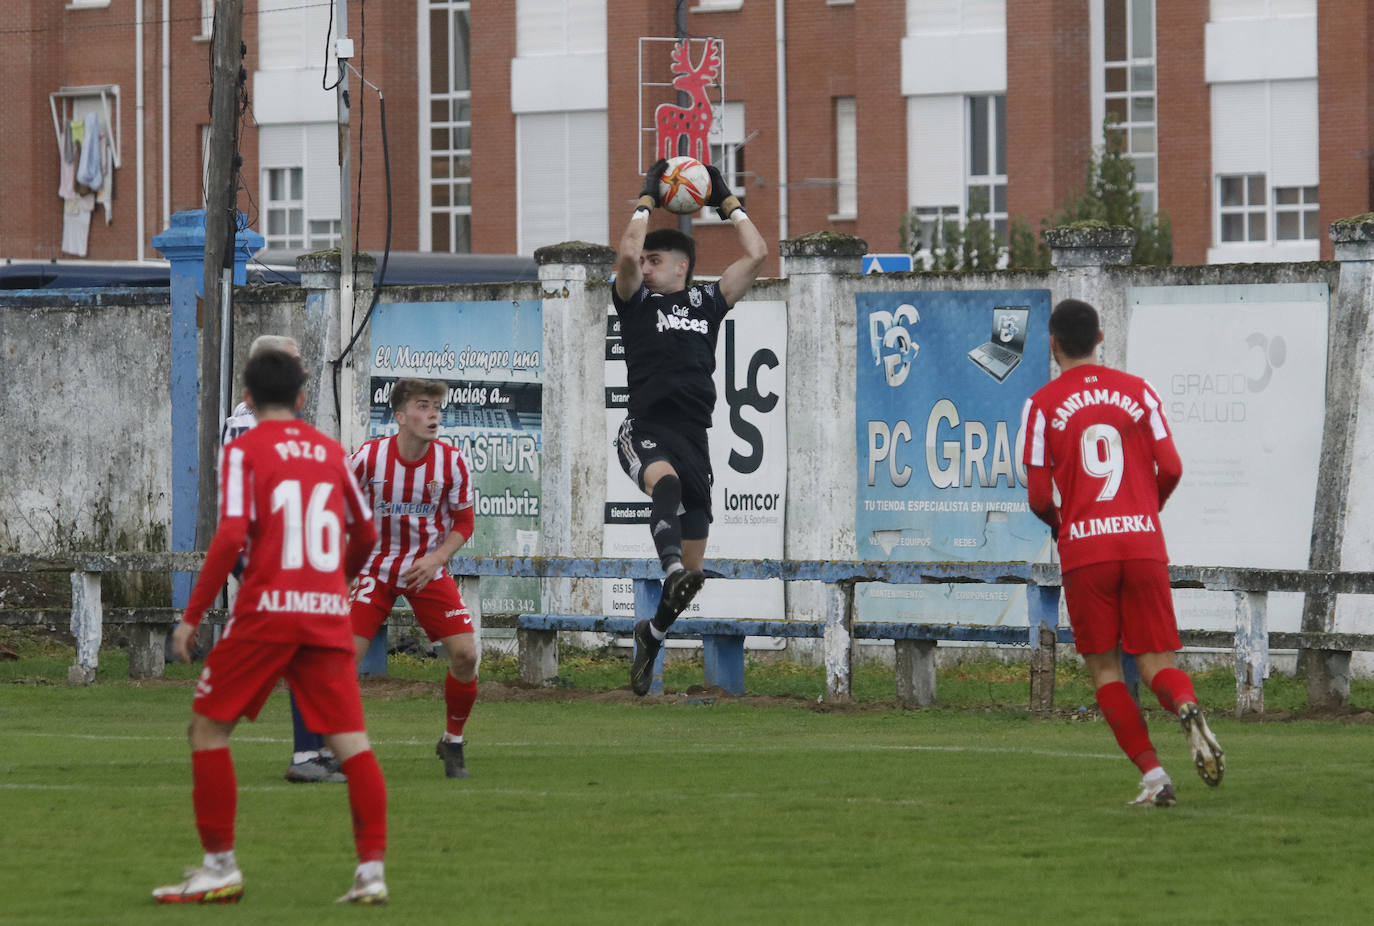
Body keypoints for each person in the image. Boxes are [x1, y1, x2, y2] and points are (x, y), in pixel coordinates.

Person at [154, 349, 389, 904]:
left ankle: (219, 868)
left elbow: (232, 536)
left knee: (208, 731)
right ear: (304, 397)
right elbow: (367, 536)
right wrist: (334, 582)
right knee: (353, 745)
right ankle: (371, 873)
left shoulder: (243, 451)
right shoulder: (332, 454)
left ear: (249, 399)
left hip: (266, 612)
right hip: (328, 613)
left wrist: (191, 618)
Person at [1021, 298, 1225, 807]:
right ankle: (1184, 703)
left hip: (1087, 549)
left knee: (1107, 671)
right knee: (1157, 660)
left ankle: (1155, 778)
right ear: (1101, 338)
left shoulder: (1042, 405)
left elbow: (1039, 497)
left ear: (1053, 344)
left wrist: (1066, 526)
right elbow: (1172, 467)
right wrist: (1144, 511)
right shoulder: (1140, 392)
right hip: (1141, 541)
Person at [614, 159, 768, 696]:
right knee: (667, 487)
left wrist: (726, 199)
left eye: (658, 260)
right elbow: (628, 254)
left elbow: (757, 254)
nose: (646, 265)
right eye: (646, 259)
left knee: (691, 582)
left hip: (694, 440)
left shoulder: (708, 300)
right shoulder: (637, 301)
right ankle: (670, 563)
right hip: (646, 428)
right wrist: (645, 196)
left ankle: (652, 633)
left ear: (682, 266)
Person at [221, 334, 343, 785]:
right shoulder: (247, 427)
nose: (301, 370)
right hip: (271, 561)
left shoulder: (278, 427)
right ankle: (310, 752)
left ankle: (315, 750)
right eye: (291, 363)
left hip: (288, 558)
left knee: (308, 657)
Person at [348, 378, 479, 778]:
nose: (434, 413)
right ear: (400, 416)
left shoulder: (452, 462)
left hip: (426, 568)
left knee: (466, 656)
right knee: (342, 661)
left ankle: (452, 741)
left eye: (437, 406)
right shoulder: (369, 458)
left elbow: (464, 521)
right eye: (423, 406)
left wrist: (436, 559)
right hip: (375, 566)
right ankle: (336, 746)